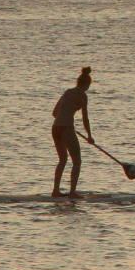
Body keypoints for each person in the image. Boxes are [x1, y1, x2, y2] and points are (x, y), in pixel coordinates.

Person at [51, 66, 93, 197]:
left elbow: (54, 113)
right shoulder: (83, 96)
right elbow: (85, 118)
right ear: (86, 84)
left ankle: (56, 191)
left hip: (55, 127)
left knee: (62, 160)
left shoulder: (68, 91)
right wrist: (89, 136)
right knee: (77, 161)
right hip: (66, 128)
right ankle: (72, 192)